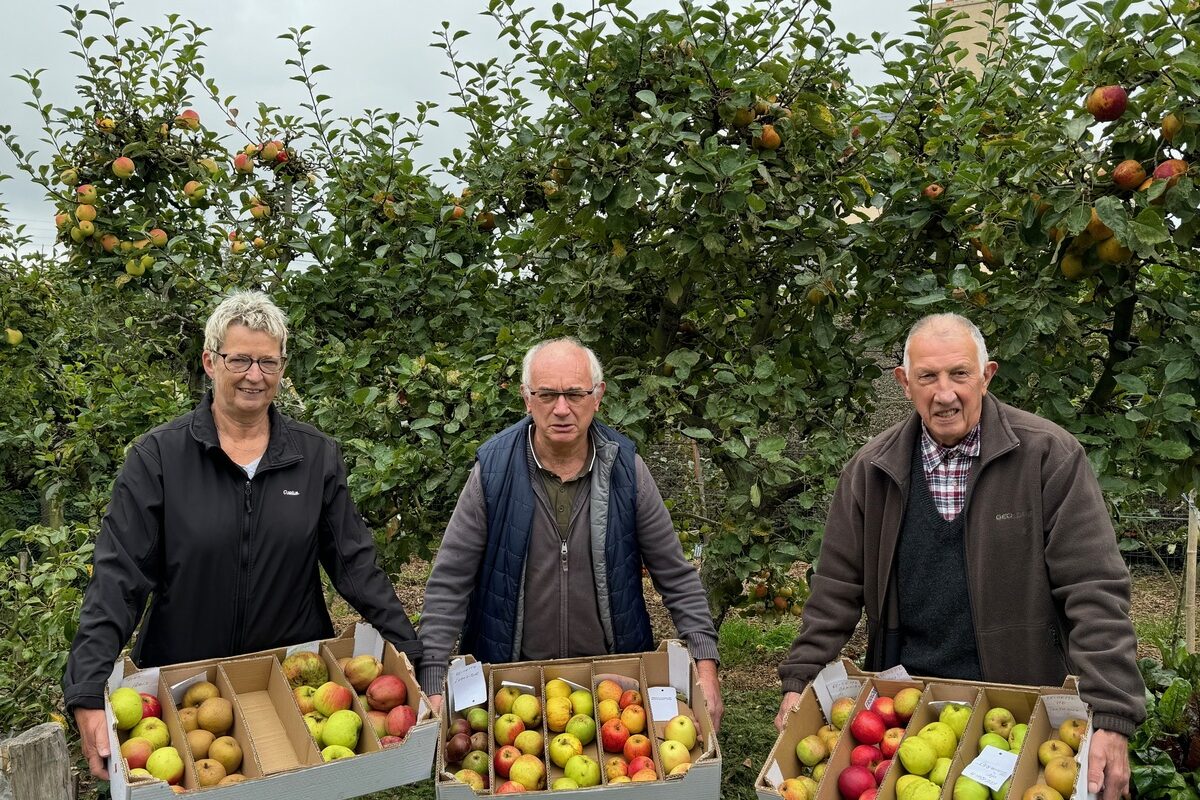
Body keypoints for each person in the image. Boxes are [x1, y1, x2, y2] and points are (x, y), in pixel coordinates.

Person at [775, 313, 1144, 800]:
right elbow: (835, 591)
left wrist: (1112, 714)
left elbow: (1094, 589)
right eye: (927, 376)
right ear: (904, 383)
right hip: (908, 712)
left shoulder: (1048, 457)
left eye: (959, 374)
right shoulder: (871, 472)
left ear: (987, 375)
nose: (944, 393)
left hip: (1017, 709)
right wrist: (800, 680)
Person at [63, 290, 422, 779]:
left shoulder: (314, 457)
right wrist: (86, 690)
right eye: (240, 360)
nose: (255, 375)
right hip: (184, 687)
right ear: (210, 362)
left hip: (292, 684)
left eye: (268, 362)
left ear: (282, 367)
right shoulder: (159, 459)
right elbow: (116, 579)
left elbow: (356, 566)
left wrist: (414, 657)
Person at [418, 337, 723, 728]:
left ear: (597, 396)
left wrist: (706, 667)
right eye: (547, 394)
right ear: (526, 397)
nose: (561, 409)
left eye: (575, 394)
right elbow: (449, 581)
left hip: (611, 690)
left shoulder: (627, 471)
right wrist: (432, 677)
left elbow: (677, 577)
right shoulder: (492, 472)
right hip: (508, 690)